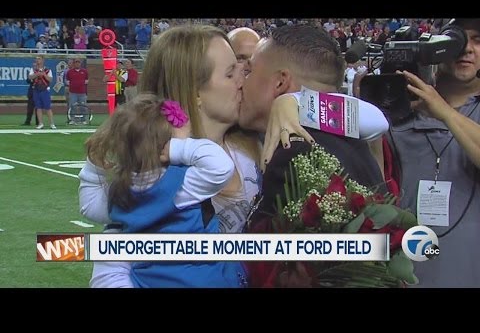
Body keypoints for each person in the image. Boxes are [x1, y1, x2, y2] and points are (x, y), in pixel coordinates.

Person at [79, 25, 261, 287]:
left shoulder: (257, 144)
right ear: (195, 91)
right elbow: (109, 276)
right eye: (231, 73)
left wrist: (287, 105)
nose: (244, 79)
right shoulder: (153, 175)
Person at [238, 25, 389, 287]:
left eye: (249, 71)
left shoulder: (295, 151)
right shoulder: (353, 141)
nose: (241, 82)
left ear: (280, 82)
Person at [85, 94, 246, 288]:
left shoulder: (120, 193)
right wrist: (179, 148)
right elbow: (221, 166)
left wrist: (94, 167)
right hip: (205, 279)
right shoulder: (183, 184)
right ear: (167, 147)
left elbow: (89, 206)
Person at [386, 18, 480, 287]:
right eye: (456, 39)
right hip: (405, 270)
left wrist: (445, 113)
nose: (466, 49)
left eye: (477, 40)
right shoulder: (404, 104)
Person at [28, 56, 56, 129]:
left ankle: (52, 123)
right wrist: (37, 74)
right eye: (36, 59)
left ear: (43, 60)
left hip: (45, 90)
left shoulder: (48, 70)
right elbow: (30, 77)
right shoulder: (33, 69)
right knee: (38, 107)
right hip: (36, 90)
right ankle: (40, 123)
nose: (37, 60)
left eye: (39, 59)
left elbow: (50, 79)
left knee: (48, 107)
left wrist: (44, 75)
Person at [65, 58, 89, 124]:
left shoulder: (84, 71)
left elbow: (87, 81)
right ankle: (72, 120)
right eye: (76, 62)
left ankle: (83, 119)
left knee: (83, 106)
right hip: (73, 92)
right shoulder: (70, 72)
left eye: (78, 62)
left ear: (80, 63)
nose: (77, 64)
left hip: (82, 92)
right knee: (72, 106)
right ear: (74, 63)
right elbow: (67, 81)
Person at [22, 61, 39, 126]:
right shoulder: (31, 72)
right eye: (33, 66)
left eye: (35, 66)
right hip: (31, 92)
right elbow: (28, 80)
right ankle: (27, 121)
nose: (34, 67)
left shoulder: (40, 72)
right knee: (30, 108)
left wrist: (33, 79)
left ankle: (38, 122)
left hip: (38, 92)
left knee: (38, 108)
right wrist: (32, 79)